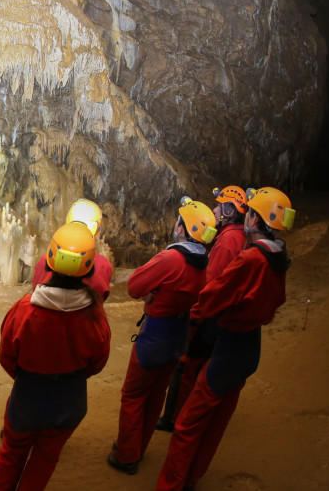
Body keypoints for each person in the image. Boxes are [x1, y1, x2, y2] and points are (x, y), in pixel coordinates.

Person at [156, 187, 295, 491]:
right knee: (216, 422)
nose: (247, 216)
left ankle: (171, 484)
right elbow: (276, 303)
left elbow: (211, 296)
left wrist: (193, 319)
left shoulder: (251, 259)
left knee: (189, 423)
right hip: (249, 347)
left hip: (230, 345)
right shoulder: (279, 257)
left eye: (251, 213)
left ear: (256, 219)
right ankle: (191, 478)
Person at [0, 222, 112, 490]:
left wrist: (25, 376)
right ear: (90, 266)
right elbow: (98, 361)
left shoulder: (24, 309)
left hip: (28, 394)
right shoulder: (95, 314)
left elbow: (7, 355)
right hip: (70, 397)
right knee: (46, 457)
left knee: (12, 452)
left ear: (50, 260)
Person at [108, 198, 215, 475]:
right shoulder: (202, 262)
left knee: (133, 395)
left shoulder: (172, 258)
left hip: (155, 335)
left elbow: (133, 286)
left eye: (179, 221)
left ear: (183, 228)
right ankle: (138, 447)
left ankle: (126, 455)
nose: (175, 224)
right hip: (178, 335)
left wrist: (150, 293)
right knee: (157, 395)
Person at [156, 186, 248, 432]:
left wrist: (194, 317)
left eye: (219, 206)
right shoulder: (235, 236)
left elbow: (211, 283)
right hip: (222, 315)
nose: (215, 209)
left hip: (210, 317)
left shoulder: (228, 241)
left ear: (230, 212)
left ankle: (174, 419)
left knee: (186, 367)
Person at [31, 198, 113, 300]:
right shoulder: (102, 265)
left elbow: (36, 289)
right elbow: (101, 295)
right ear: (97, 229)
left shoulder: (45, 261)